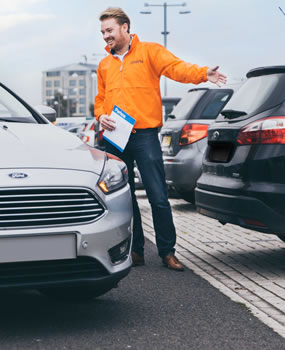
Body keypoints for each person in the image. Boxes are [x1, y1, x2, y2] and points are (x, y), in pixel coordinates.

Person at [94, 7, 227, 271]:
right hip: (114, 138)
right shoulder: (104, 65)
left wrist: (203, 74)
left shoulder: (150, 52)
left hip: (144, 135)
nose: (105, 36)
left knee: (157, 195)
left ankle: (168, 252)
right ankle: (136, 250)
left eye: (109, 30)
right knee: (124, 196)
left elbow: (176, 68)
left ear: (125, 27)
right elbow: (100, 100)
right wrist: (100, 116)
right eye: (102, 32)